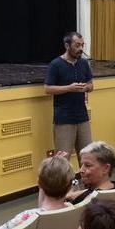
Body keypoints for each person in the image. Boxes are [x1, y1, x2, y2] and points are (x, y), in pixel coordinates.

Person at [44, 32, 94, 161]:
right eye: (77, 45)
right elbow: (47, 89)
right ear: (67, 45)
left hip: (82, 117)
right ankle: (63, 182)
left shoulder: (84, 63)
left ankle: (86, 181)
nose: (81, 49)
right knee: (62, 160)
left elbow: (91, 85)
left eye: (82, 45)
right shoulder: (56, 64)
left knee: (88, 158)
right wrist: (69, 88)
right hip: (64, 119)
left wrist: (86, 88)